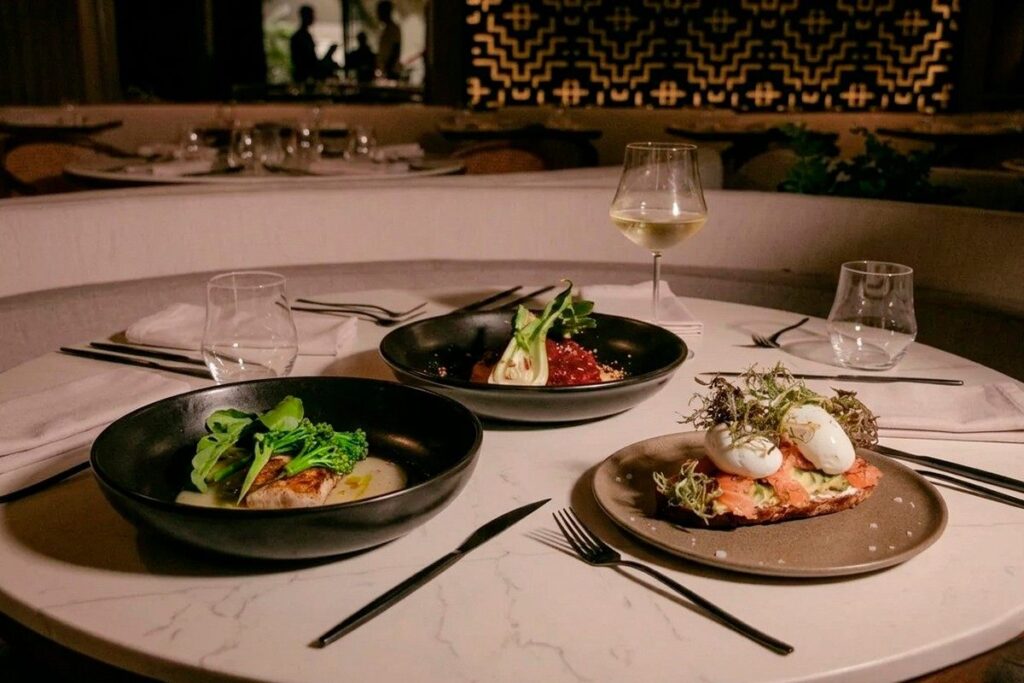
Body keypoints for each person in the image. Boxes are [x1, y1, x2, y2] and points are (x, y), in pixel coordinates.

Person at [290, 5, 338, 83]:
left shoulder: (302, 36)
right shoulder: (301, 36)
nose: (313, 18)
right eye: (311, 16)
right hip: (305, 77)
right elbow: (309, 61)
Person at [375, 1, 402, 80]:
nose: (378, 15)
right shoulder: (385, 30)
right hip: (385, 71)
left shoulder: (393, 29)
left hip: (391, 72)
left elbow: (396, 50)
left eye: (380, 12)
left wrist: (387, 68)